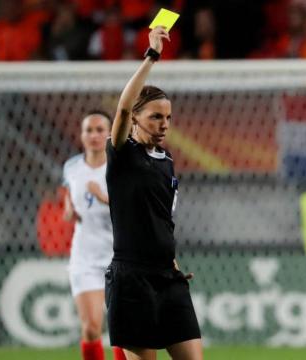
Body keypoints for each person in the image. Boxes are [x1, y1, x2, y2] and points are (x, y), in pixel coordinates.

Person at [105, 26, 202, 360]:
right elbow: (120, 108)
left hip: (168, 277)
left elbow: (162, 221)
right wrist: (152, 56)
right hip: (132, 279)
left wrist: (172, 263)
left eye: (168, 118)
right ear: (135, 118)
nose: (164, 124)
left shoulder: (168, 162)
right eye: (155, 116)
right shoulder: (122, 154)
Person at [62, 110, 126, 360]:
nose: (94, 135)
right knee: (91, 328)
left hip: (118, 257)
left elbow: (130, 209)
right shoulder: (72, 167)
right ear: (81, 135)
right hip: (85, 257)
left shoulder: (120, 166)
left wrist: (102, 197)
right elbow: (69, 193)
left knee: (122, 331)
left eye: (100, 130)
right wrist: (69, 208)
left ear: (110, 134)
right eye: (89, 130)